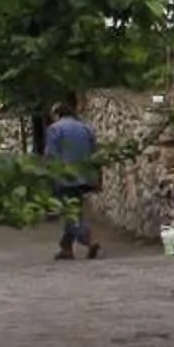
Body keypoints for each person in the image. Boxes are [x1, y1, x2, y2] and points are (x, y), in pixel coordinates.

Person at [43, 103, 101, 260]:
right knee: (74, 209)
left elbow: (51, 156)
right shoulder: (85, 128)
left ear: (57, 114)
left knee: (70, 212)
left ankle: (89, 239)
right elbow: (95, 152)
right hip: (84, 176)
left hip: (65, 176)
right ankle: (66, 248)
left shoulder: (55, 129)